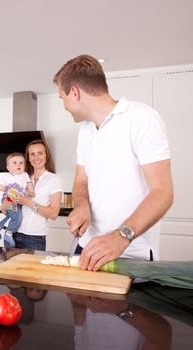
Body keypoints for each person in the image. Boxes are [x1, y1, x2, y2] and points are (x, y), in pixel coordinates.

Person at [53, 54, 174, 271]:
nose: (64, 106)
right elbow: (81, 180)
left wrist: (121, 237)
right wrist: (82, 205)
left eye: (62, 97)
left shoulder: (141, 118)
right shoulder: (85, 131)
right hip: (87, 248)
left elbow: (163, 192)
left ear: (75, 92)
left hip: (129, 253)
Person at [0, 139, 62, 251]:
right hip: (13, 234)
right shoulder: (22, 177)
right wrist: (7, 201)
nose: (36, 157)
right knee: (9, 268)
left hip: (34, 239)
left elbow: (53, 214)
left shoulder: (53, 179)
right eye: (32, 154)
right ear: (28, 158)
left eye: (40, 153)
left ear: (46, 156)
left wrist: (26, 202)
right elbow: (4, 210)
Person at [0, 152, 34, 247]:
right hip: (9, 198)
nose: (18, 165)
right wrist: (1, 187)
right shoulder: (7, 176)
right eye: (14, 163)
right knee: (17, 217)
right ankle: (8, 233)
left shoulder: (25, 174)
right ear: (8, 167)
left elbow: (29, 183)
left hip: (19, 200)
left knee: (12, 216)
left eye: (21, 163)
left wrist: (30, 191)